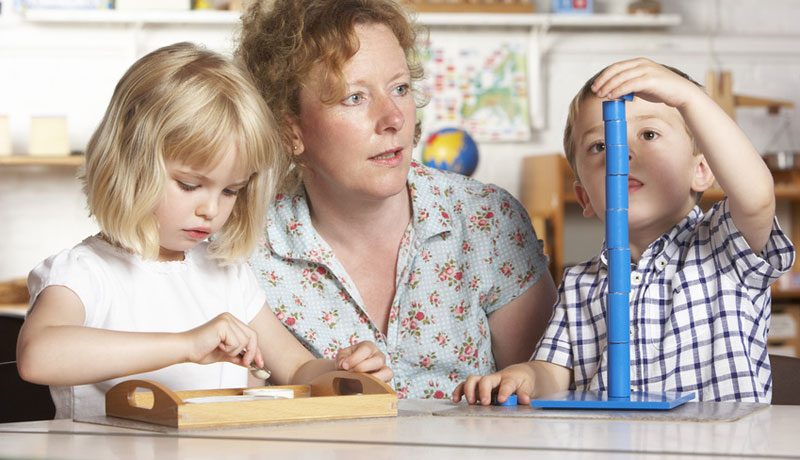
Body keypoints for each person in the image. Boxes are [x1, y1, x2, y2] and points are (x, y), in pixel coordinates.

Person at [16, 42, 391, 419]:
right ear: (129, 161)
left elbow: (296, 369)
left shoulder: (226, 274)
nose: (210, 210)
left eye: (230, 190)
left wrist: (345, 372)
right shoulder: (84, 273)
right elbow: (38, 356)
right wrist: (187, 344)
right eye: (190, 185)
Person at [237, 0, 558, 399]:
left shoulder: (488, 220)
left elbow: (548, 392)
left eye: (400, 88)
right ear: (290, 130)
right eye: (355, 97)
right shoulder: (245, 244)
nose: (394, 118)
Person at [453, 58, 795, 404]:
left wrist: (689, 99)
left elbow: (757, 196)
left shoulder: (724, 244)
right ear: (585, 197)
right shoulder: (579, 284)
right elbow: (553, 372)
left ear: (703, 170)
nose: (622, 152)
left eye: (649, 134)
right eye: (598, 146)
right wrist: (522, 376)